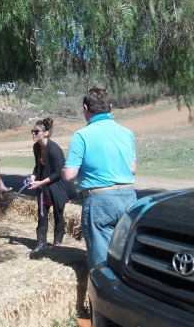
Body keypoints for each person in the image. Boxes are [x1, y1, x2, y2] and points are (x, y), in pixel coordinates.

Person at [62, 88, 137, 271]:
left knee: (101, 264)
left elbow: (69, 175)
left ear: (85, 108)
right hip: (129, 197)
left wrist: (65, 169)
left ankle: (99, 297)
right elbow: (132, 169)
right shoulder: (127, 133)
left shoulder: (82, 135)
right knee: (125, 256)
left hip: (99, 200)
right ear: (110, 107)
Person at [27, 117, 78, 254]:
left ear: (46, 133)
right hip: (44, 186)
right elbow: (38, 166)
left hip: (58, 187)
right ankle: (41, 244)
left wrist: (40, 182)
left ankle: (57, 245)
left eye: (36, 131)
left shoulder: (55, 150)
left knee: (58, 215)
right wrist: (33, 177)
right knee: (42, 214)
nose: (33, 133)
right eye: (33, 131)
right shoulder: (36, 147)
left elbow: (58, 173)